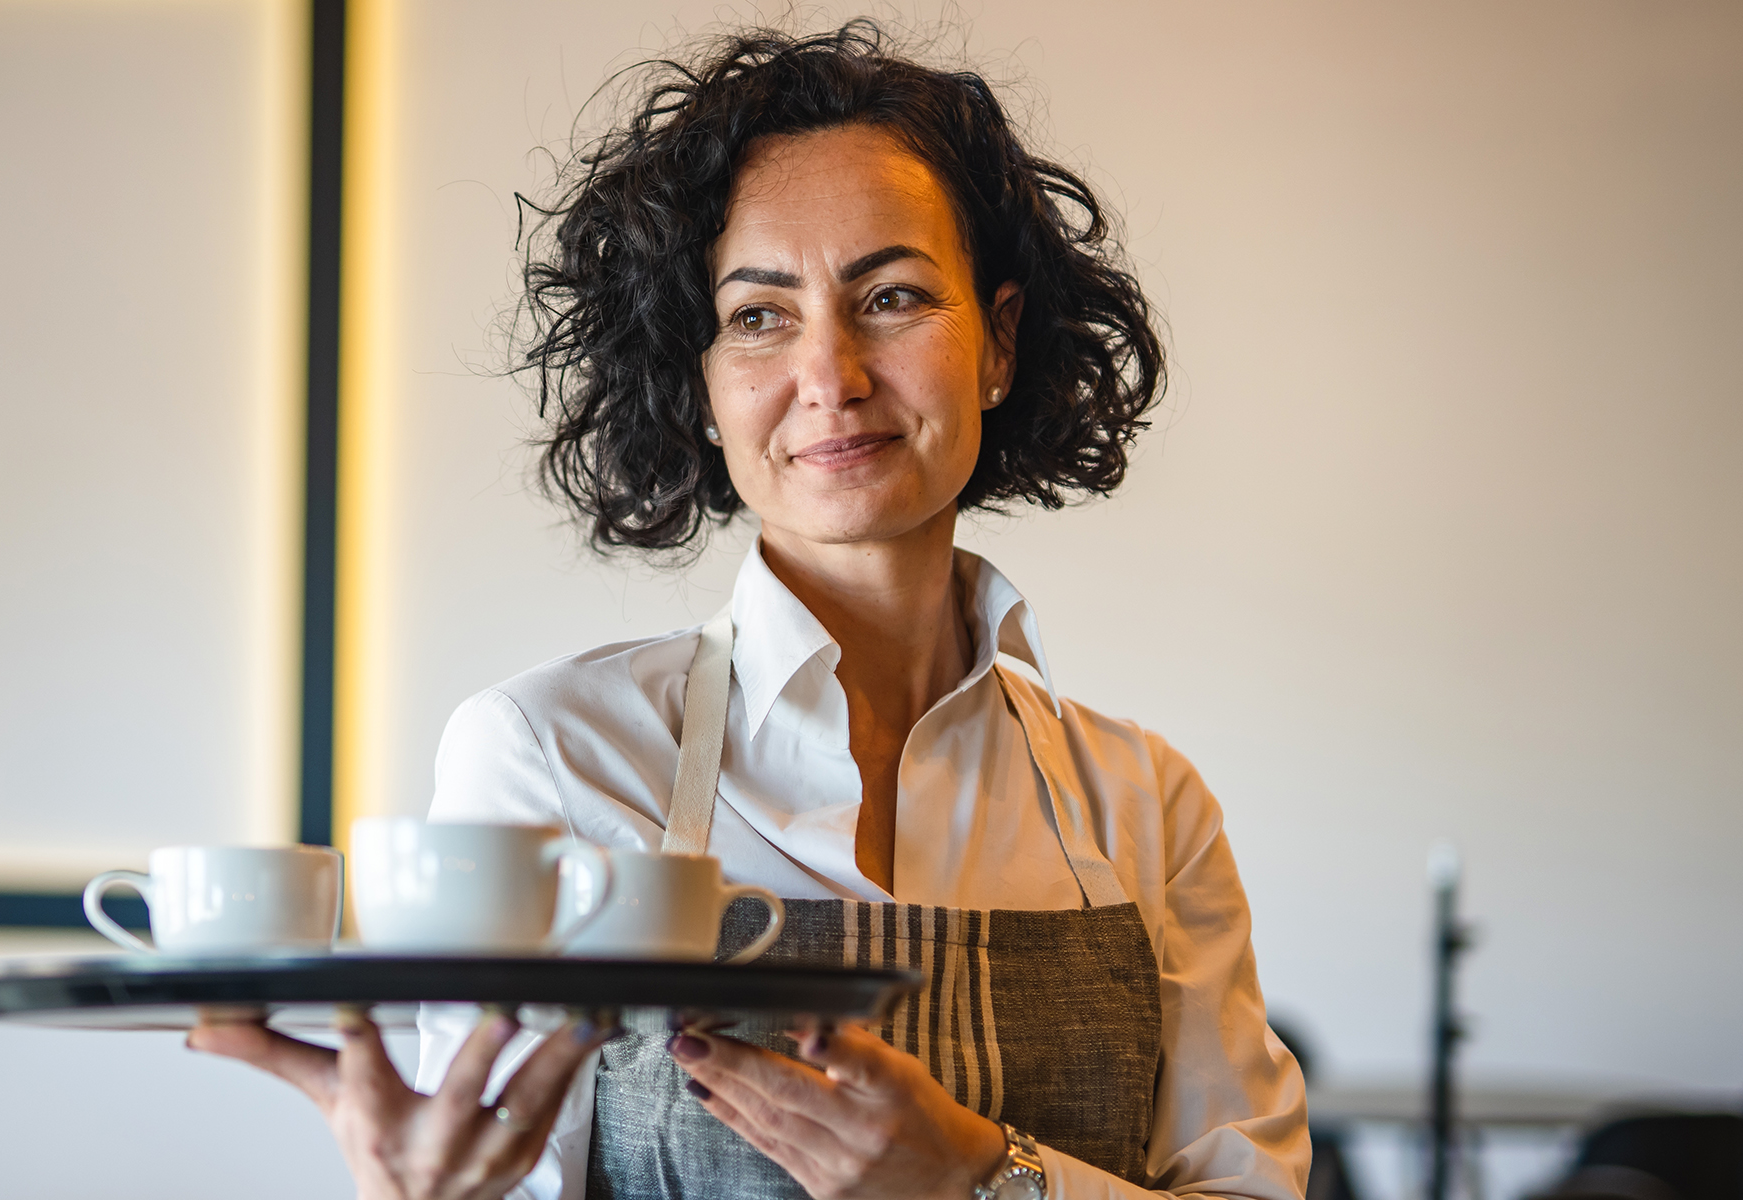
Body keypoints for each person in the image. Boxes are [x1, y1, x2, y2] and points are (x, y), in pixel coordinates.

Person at [191, 21, 1309, 1200]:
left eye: (893, 295)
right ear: (704, 383)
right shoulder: (555, 756)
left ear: (1000, 342)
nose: (831, 375)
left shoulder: (1148, 809)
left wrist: (986, 1179)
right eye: (760, 316)